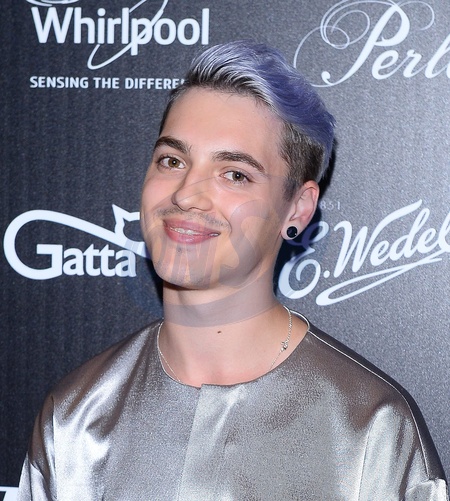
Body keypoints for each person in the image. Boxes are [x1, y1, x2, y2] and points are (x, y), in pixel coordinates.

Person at [18, 40, 448, 500]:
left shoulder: (371, 429)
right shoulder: (75, 416)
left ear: (298, 208)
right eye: (172, 161)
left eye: (235, 174)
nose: (186, 194)